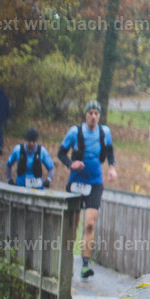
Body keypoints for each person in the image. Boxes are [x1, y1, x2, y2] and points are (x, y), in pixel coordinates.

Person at [58, 99, 117, 279]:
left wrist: (112, 167)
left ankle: (85, 264)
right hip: (76, 181)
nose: (93, 116)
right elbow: (61, 153)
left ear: (99, 116)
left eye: (96, 113)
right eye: (90, 113)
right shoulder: (75, 132)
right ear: (86, 115)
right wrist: (70, 163)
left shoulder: (104, 132)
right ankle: (66, 263)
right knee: (73, 224)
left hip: (95, 182)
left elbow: (109, 152)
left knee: (90, 223)